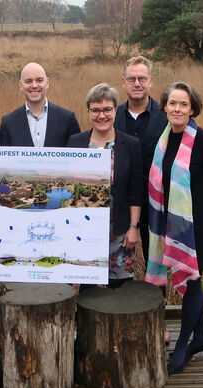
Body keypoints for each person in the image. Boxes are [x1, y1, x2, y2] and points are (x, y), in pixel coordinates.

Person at [145, 82, 203, 375]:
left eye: (183, 104)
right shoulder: (163, 141)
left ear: (192, 108)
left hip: (194, 226)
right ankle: (202, 338)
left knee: (192, 280)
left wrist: (199, 211)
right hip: (168, 221)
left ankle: (182, 345)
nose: (177, 109)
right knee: (196, 283)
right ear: (164, 107)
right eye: (172, 103)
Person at [67, 83, 144, 290]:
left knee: (119, 294)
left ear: (115, 111)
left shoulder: (130, 145)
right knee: (87, 291)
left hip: (119, 232)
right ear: (88, 112)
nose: (102, 116)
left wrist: (133, 227)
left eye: (107, 110)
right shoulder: (75, 143)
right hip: (83, 232)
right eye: (96, 110)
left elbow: (136, 190)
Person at [115, 56, 168, 263]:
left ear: (151, 81)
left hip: (156, 202)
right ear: (123, 82)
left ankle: (158, 295)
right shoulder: (112, 116)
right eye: (131, 78)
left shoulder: (165, 117)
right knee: (118, 264)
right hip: (121, 201)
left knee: (155, 263)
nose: (137, 83)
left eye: (142, 78)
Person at [0, 62, 81, 147]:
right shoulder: (8, 123)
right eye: (28, 81)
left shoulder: (67, 119)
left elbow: (78, 156)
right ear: (21, 85)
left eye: (39, 80)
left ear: (47, 83)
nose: (34, 85)